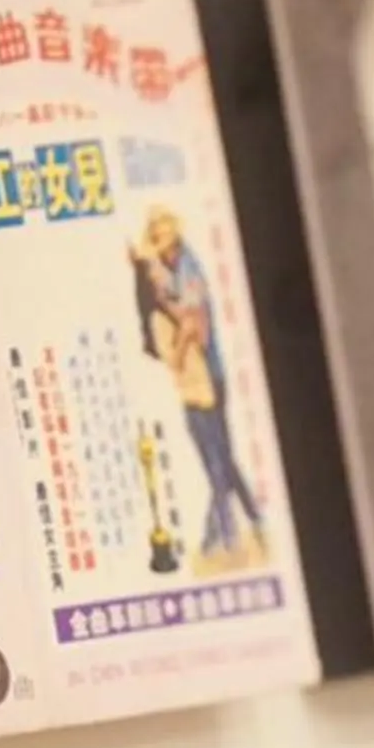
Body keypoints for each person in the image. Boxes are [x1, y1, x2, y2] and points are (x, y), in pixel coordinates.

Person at [131, 206, 264, 565]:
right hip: (194, 380)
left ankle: (223, 536)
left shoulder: (189, 270)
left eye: (161, 239)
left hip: (209, 375)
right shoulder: (165, 272)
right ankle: (251, 519)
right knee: (221, 457)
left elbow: (192, 325)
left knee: (215, 460)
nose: (159, 249)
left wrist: (173, 337)